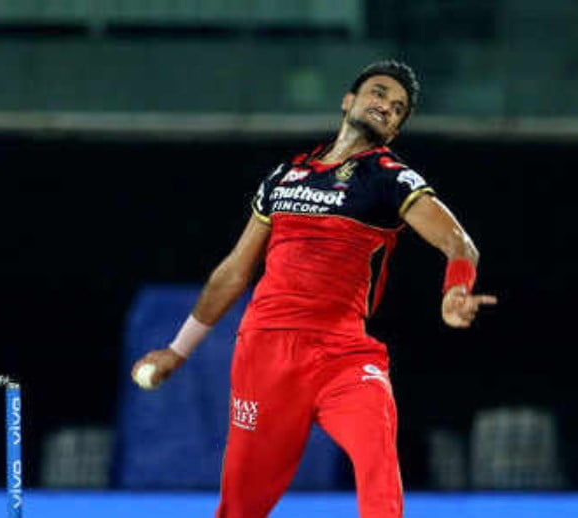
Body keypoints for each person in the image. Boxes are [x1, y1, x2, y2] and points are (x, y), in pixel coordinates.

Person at [131, 60, 497, 518]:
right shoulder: (284, 177)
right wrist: (177, 351)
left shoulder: (388, 176)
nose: (387, 106)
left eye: (398, 108)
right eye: (379, 93)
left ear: (395, 130)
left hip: (343, 356)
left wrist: (455, 289)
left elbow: (459, 242)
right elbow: (234, 272)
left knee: (377, 451)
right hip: (265, 356)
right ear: (348, 100)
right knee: (241, 506)